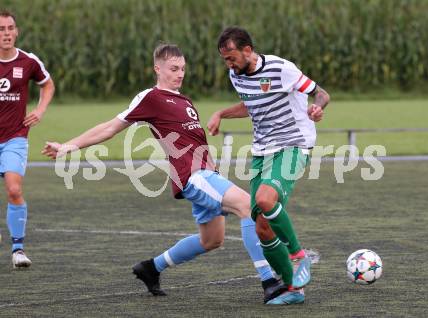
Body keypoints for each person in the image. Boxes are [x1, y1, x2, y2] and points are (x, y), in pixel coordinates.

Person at [42, 43, 287, 303]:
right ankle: (270, 282)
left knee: (212, 240)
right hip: (193, 177)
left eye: (182, 68)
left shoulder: (184, 100)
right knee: (249, 208)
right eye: (173, 68)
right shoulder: (151, 97)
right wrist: (68, 146)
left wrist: (214, 168)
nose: (179, 73)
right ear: (157, 69)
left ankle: (151, 268)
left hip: (206, 174)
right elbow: (110, 128)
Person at [208, 26, 330, 305]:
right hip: (262, 151)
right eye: (225, 59)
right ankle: (293, 290)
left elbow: (320, 93)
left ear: (248, 50)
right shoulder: (235, 74)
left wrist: (317, 107)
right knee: (262, 228)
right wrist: (220, 113)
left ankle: (299, 257)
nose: (228, 64)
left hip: (293, 144)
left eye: (231, 57)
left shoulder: (281, 68)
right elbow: (250, 105)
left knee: (264, 199)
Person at [0, 10, 55, 268]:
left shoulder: (28, 61)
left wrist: (40, 110)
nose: (6, 33)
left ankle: (18, 249)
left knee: (14, 189)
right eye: (1, 29)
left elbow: (47, 84)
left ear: (17, 31)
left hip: (15, 138)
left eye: (10, 28)